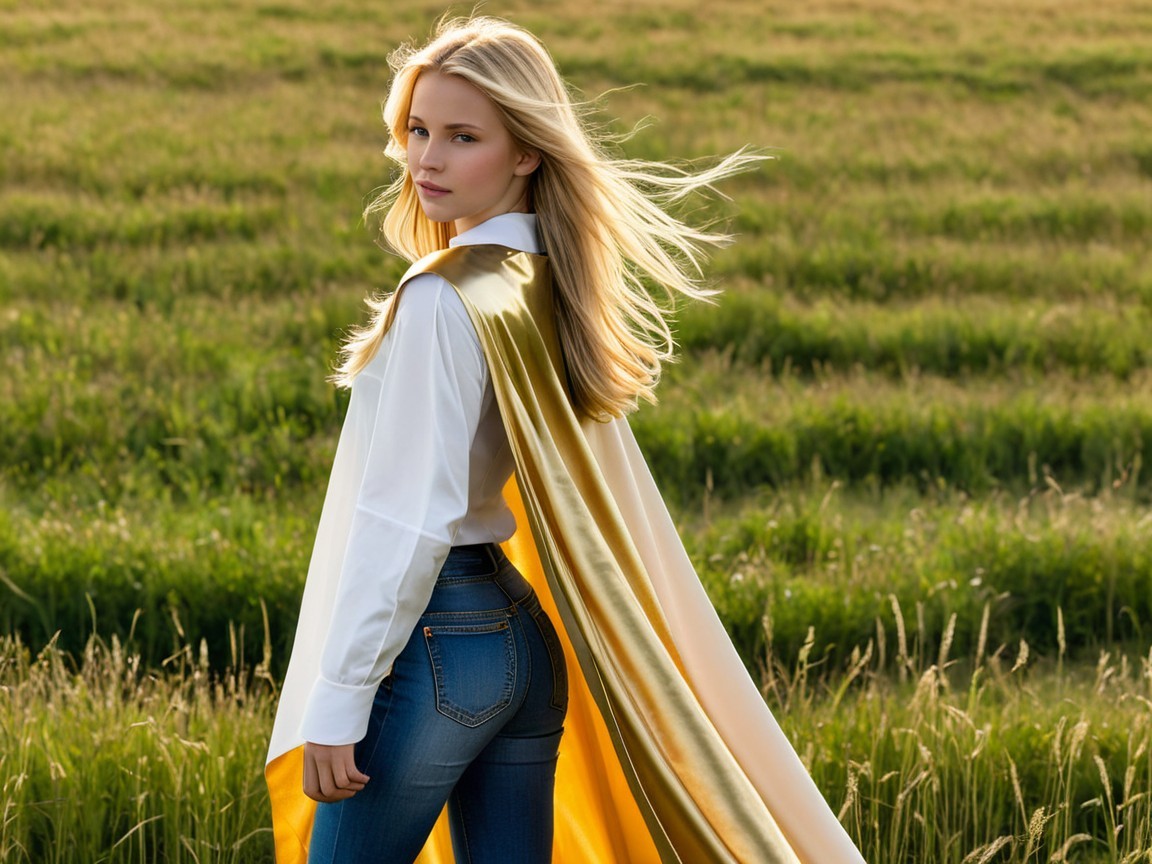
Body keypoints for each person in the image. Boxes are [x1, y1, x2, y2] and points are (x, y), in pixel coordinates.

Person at [265, 15, 866, 864]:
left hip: (436, 645)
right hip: (518, 637)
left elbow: (408, 518)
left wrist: (338, 697)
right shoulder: (545, 273)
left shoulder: (446, 296)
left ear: (526, 152)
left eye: (462, 136)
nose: (426, 159)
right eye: (417, 130)